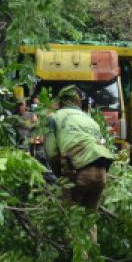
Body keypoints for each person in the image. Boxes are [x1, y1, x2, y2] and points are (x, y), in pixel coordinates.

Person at [43, 86, 117, 233]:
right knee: (89, 221)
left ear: (61, 102)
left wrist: (59, 176)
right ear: (79, 102)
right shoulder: (90, 119)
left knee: (72, 221)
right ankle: (91, 254)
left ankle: (75, 254)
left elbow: (51, 153)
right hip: (101, 172)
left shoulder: (54, 118)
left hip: (78, 172)